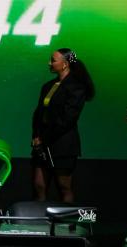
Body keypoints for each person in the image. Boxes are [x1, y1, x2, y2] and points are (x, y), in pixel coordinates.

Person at [31, 48, 95, 204]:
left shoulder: (76, 87)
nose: (49, 63)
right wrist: (36, 137)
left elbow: (68, 119)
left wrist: (44, 138)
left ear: (65, 64)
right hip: (42, 144)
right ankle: (39, 224)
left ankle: (67, 225)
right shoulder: (48, 86)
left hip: (62, 143)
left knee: (64, 187)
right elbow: (39, 113)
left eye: (53, 60)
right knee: (39, 185)